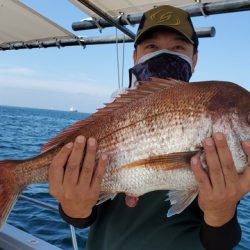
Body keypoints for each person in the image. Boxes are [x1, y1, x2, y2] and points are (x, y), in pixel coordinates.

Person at [48, 5, 250, 250]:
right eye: (151, 46)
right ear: (135, 56)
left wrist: (221, 212)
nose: (164, 54)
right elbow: (82, 218)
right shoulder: (108, 122)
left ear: (194, 59)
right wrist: (73, 207)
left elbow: (221, 241)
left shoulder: (224, 135)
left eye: (178, 47)